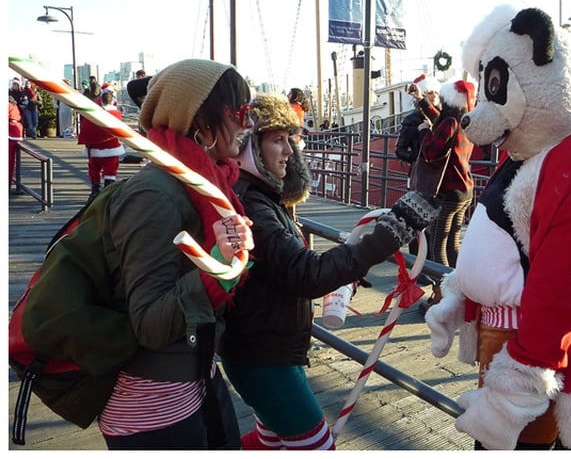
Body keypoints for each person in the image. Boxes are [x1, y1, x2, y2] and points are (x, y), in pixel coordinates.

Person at [219, 92, 439, 450]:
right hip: (264, 359)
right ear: (248, 146)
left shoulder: (259, 197)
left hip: (259, 348)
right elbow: (307, 274)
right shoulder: (252, 206)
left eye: (291, 139)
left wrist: (349, 265)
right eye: (277, 139)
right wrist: (388, 235)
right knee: (317, 447)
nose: (290, 150)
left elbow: (289, 270)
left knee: (270, 441)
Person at [95, 58, 255, 450]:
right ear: (201, 123)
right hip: (151, 408)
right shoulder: (153, 195)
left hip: (195, 378)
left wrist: (225, 264)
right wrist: (216, 267)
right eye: (240, 112)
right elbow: (149, 323)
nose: (248, 124)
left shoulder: (208, 185)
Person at [408, 80, 475, 269]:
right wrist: (421, 99)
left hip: (448, 193)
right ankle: (461, 288)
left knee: (438, 247)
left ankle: (442, 294)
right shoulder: (464, 122)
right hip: (464, 191)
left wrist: (424, 132)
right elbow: (440, 119)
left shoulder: (450, 122)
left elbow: (431, 151)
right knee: (453, 243)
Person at [395, 77, 440, 257]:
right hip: (419, 176)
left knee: (436, 224)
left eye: (436, 92)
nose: (434, 96)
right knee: (417, 218)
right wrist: (416, 158)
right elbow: (400, 149)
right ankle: (417, 262)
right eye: (429, 93)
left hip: (439, 176)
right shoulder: (412, 120)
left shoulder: (443, 118)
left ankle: (432, 265)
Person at [77, 90, 126, 203]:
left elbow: (86, 129)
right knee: (111, 170)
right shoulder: (117, 114)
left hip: (95, 149)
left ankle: (95, 190)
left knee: (94, 169)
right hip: (112, 148)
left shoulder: (94, 114)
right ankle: (108, 193)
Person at [9, 95, 23, 188]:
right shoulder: (12, 104)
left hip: (10, 132)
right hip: (13, 131)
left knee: (9, 161)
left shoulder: (8, 105)